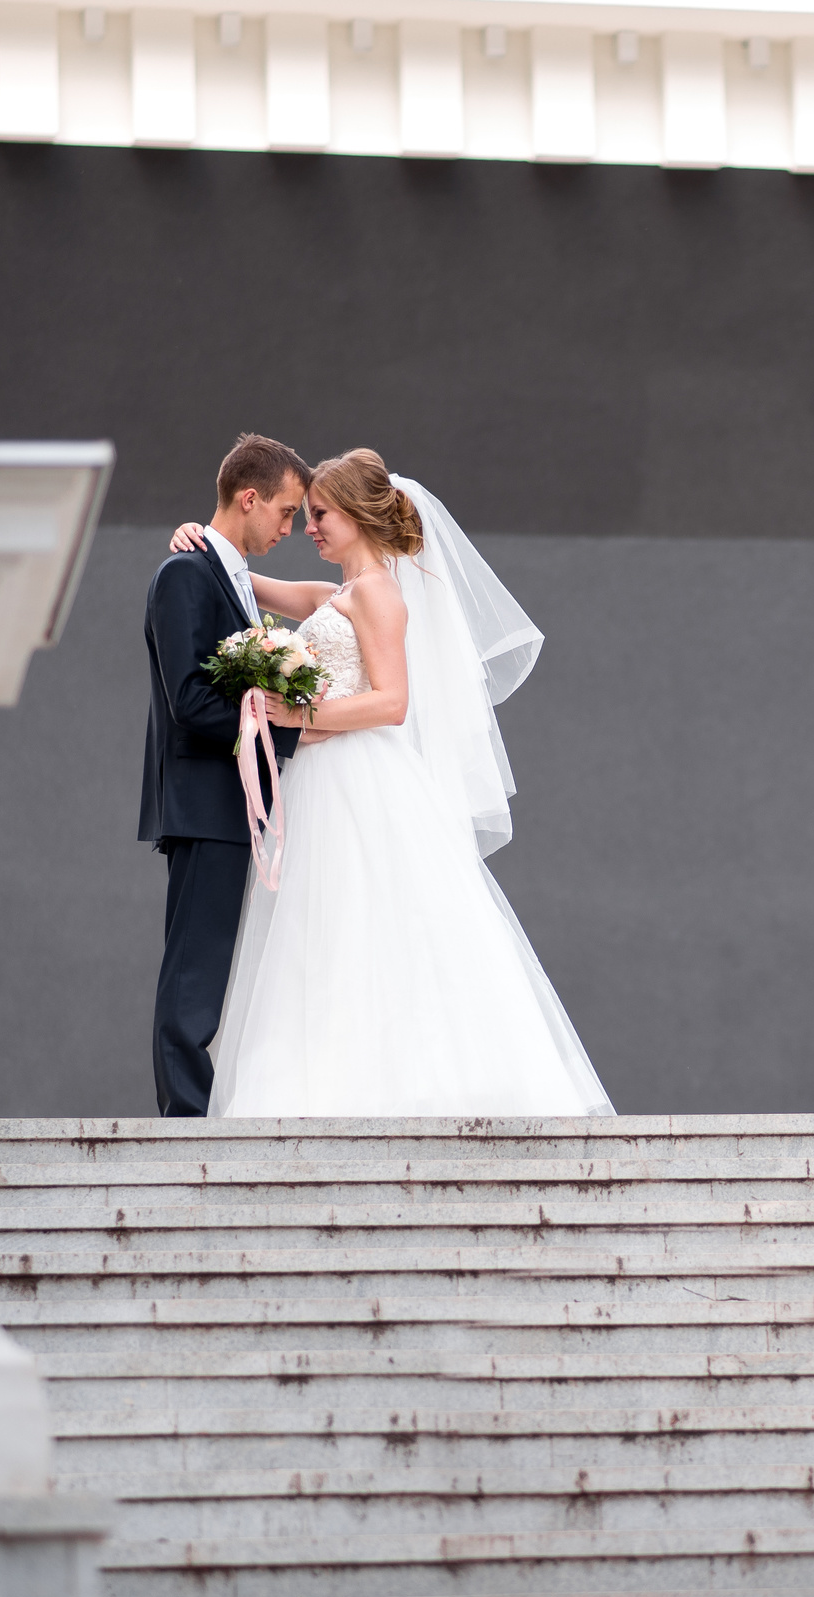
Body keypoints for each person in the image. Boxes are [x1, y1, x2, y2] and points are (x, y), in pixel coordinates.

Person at [168, 450, 611, 1117]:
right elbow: (247, 583)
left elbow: (391, 702)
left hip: (359, 778)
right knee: (324, 936)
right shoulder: (339, 594)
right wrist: (200, 541)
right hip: (321, 776)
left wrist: (297, 715)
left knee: (366, 925)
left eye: (319, 515)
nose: (310, 527)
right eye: (306, 514)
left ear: (356, 515)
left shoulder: (377, 593)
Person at [141, 433, 311, 1117]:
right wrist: (279, 723)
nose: (291, 528)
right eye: (287, 511)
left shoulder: (227, 571)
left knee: (213, 969)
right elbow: (188, 699)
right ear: (250, 497)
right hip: (205, 804)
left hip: (229, 804)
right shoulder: (185, 574)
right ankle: (184, 1119)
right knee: (195, 972)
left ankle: (198, 1109)